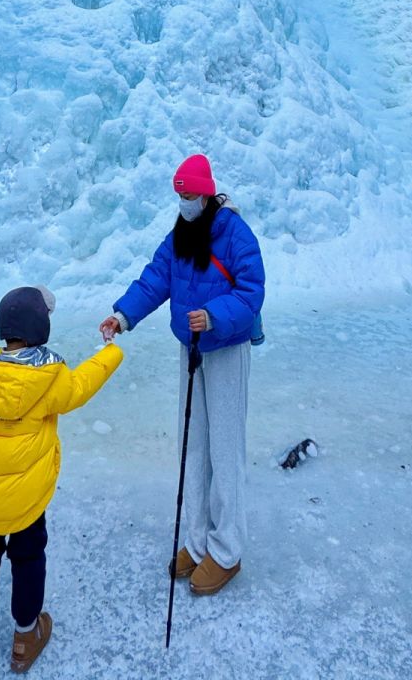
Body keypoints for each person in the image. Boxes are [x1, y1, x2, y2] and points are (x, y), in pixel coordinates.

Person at [100, 154, 265, 597]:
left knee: (225, 448)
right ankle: (196, 542)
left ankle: (226, 550)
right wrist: (123, 316)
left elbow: (252, 293)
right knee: (193, 444)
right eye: (179, 194)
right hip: (191, 350)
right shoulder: (180, 233)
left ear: (207, 192)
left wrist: (212, 316)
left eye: (190, 194)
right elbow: (157, 278)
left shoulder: (235, 234)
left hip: (226, 348)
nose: (184, 201)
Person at [0, 284, 122, 672]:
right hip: (29, 499)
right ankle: (25, 637)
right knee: (28, 559)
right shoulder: (47, 377)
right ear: (40, 327)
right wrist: (111, 352)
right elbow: (81, 387)